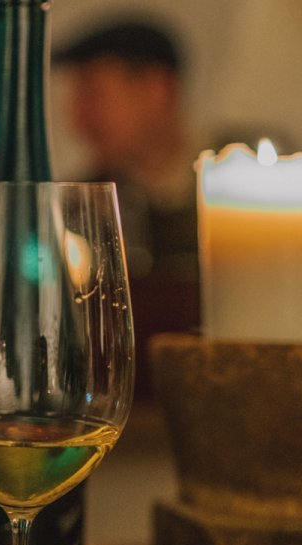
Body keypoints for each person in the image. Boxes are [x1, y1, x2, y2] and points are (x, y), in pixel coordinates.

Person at [54, 19, 201, 399]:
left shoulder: (242, 188)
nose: (77, 120)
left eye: (94, 95)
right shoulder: (77, 205)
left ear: (158, 90)